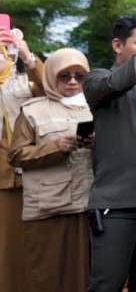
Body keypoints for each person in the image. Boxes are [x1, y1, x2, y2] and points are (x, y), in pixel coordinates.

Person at [8, 48, 94, 291]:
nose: (73, 82)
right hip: (48, 209)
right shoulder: (33, 110)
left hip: (88, 207)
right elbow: (16, 155)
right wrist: (55, 147)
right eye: (64, 76)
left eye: (80, 76)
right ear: (51, 76)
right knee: (46, 275)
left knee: (87, 276)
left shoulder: (96, 107)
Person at [83, 15, 136, 292]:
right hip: (117, 205)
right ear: (117, 44)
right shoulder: (97, 80)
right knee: (106, 285)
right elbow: (111, 84)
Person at [0, 28, 43, 292]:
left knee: (16, 249)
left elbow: (47, 86)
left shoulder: (19, 83)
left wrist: (27, 54)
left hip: (20, 176)